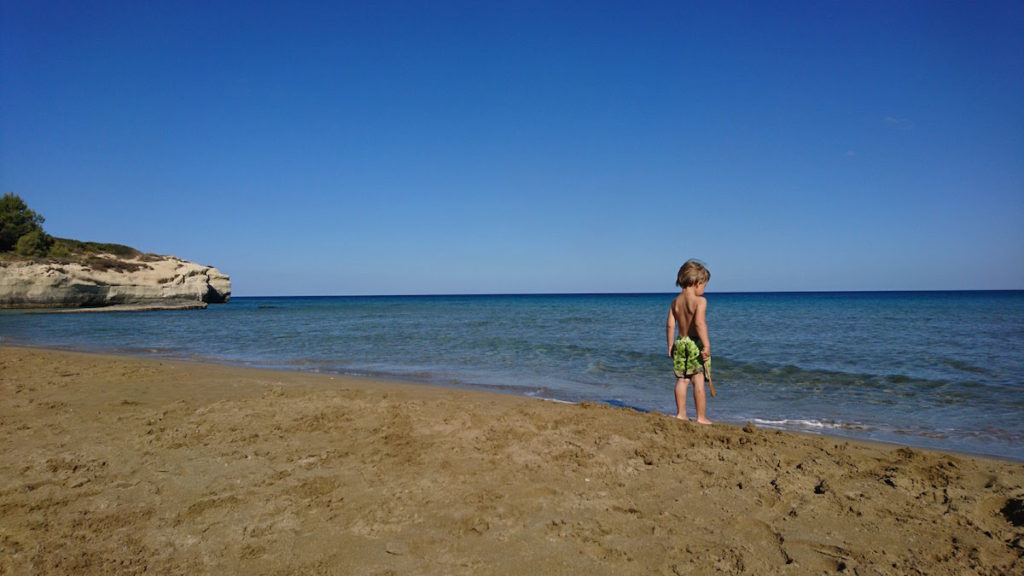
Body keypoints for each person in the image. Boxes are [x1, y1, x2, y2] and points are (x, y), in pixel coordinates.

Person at [666, 259, 712, 423]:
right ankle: (700, 417)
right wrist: (706, 344)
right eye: (704, 286)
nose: (704, 290)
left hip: (680, 342)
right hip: (693, 343)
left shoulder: (675, 302)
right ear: (697, 283)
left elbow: (671, 325)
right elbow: (699, 323)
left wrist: (670, 344)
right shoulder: (700, 301)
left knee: (682, 379)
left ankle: (681, 414)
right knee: (698, 379)